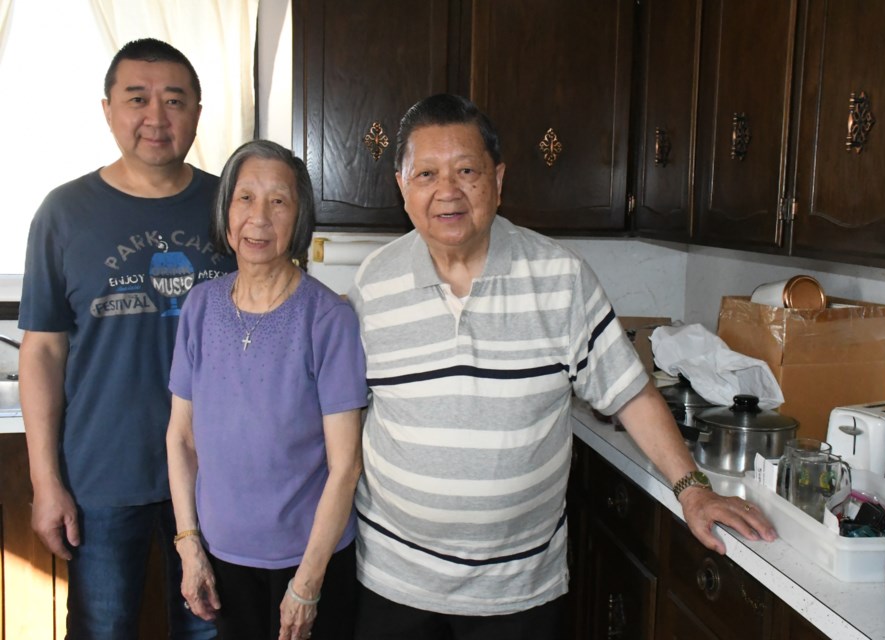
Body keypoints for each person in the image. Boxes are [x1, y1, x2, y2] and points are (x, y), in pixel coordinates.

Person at [347, 93, 779, 639]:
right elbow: (341, 417)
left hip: (519, 588)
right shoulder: (371, 284)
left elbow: (632, 394)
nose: (447, 191)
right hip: (395, 581)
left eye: (467, 170)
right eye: (426, 173)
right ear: (402, 187)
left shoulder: (561, 276)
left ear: (498, 180)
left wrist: (692, 488)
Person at [18, 38, 233, 639]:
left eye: (174, 100)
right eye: (138, 99)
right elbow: (42, 350)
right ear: (109, 108)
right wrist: (45, 482)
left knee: (210, 630)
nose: (156, 117)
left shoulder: (233, 205)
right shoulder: (64, 212)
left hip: (217, 477)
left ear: (197, 111)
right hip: (101, 478)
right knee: (102, 630)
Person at [166, 139, 368, 640]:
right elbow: (182, 439)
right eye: (245, 198)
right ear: (226, 212)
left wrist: (308, 583)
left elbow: (346, 466)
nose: (260, 217)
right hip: (222, 560)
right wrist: (189, 545)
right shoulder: (200, 307)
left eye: (278, 201)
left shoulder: (328, 318)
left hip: (310, 563)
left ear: (298, 218)